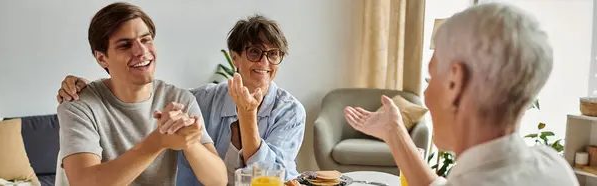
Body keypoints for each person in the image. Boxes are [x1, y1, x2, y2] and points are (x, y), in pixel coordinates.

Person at [344, 3, 578, 186]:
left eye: (432, 76)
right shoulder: (555, 167)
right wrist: (394, 132)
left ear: (454, 83)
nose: (426, 92)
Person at [56, 14, 306, 185]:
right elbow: (144, 92)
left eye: (273, 55)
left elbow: (269, 179)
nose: (264, 63)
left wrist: (247, 115)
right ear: (235, 58)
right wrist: (94, 89)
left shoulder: (290, 111)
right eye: (254, 52)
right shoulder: (200, 99)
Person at [54, 2, 227, 186]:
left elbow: (218, 180)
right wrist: (157, 142)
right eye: (125, 45)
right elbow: (83, 183)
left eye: (146, 39)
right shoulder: (79, 105)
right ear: (102, 58)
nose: (141, 51)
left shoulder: (179, 99)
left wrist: (189, 141)